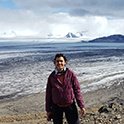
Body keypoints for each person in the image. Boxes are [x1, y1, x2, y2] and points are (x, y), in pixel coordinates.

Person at [45, 53, 85, 124]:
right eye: (57, 61)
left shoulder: (71, 74)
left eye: (61, 61)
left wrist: (81, 106)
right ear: (54, 63)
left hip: (70, 105)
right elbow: (48, 94)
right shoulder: (52, 77)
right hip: (56, 107)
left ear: (65, 62)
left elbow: (77, 90)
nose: (59, 63)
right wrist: (48, 110)